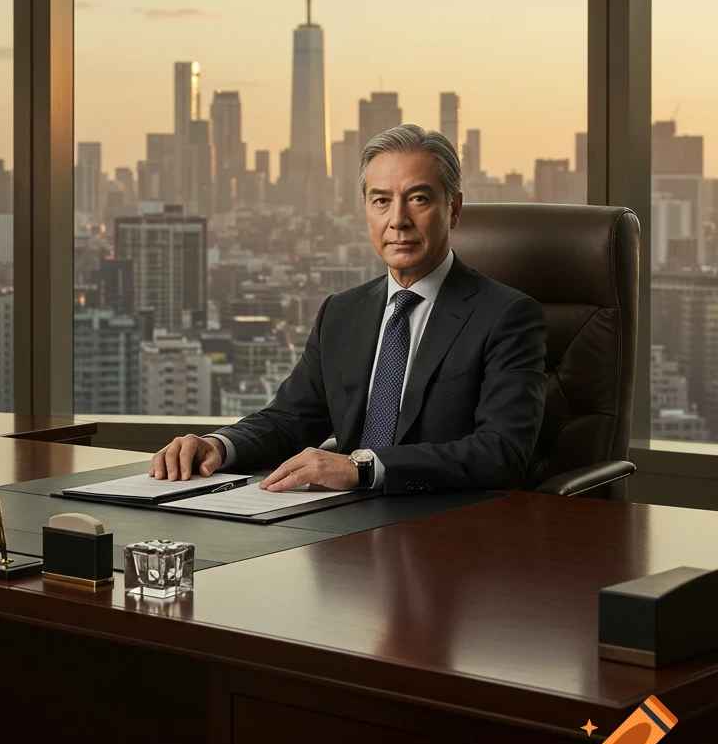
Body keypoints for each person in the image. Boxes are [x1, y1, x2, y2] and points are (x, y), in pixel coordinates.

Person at [149, 123, 547, 495]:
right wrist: (219, 444)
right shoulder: (341, 312)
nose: (398, 220)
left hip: (445, 532)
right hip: (339, 529)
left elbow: (502, 451)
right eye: (381, 201)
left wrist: (363, 468)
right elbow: (291, 419)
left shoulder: (506, 316)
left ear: (454, 209)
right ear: (366, 209)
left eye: (418, 199)